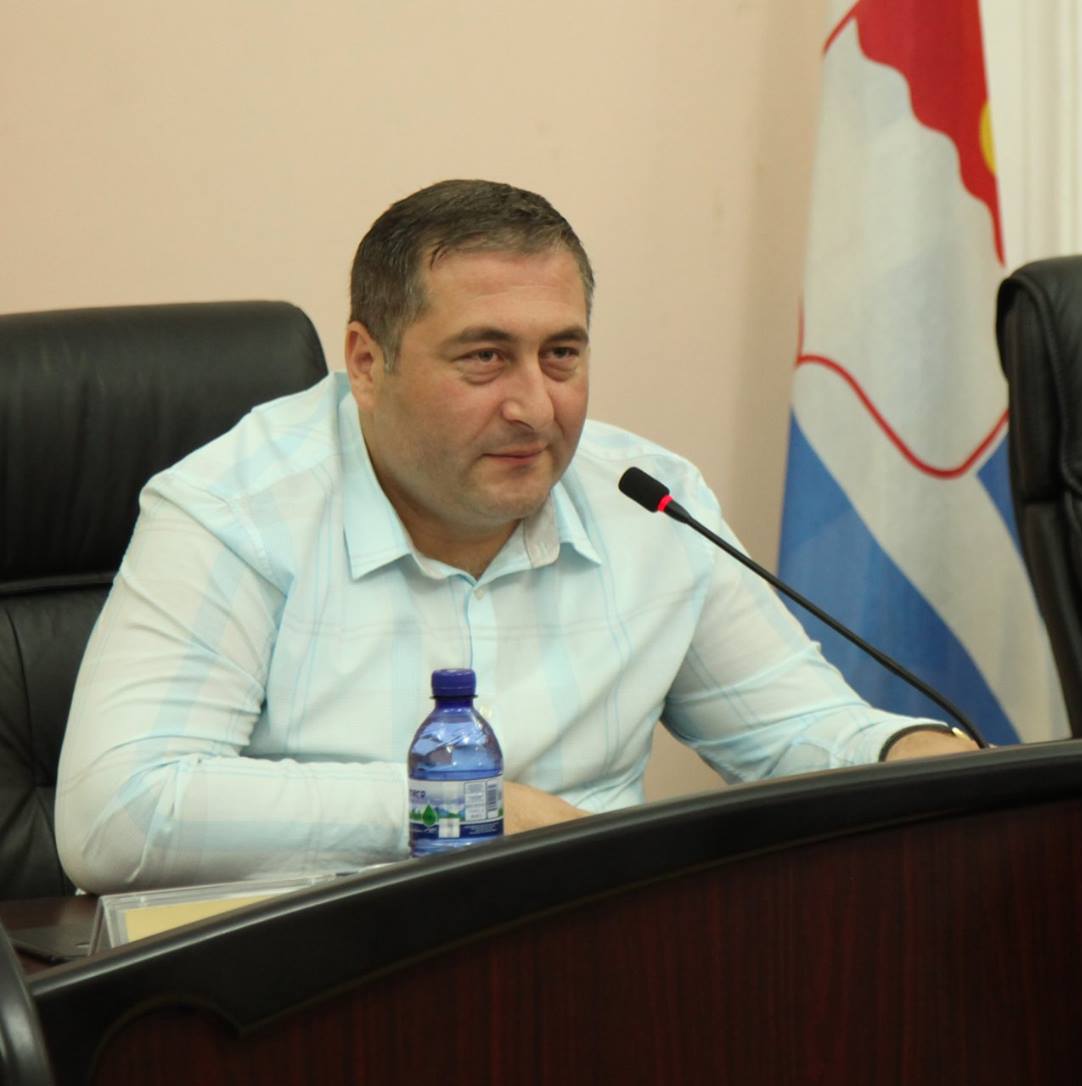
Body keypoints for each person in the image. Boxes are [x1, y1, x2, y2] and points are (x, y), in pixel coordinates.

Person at [56, 179, 974, 893]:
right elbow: (115, 814)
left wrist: (912, 759)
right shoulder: (235, 510)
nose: (535, 406)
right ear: (367, 363)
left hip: (595, 963)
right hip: (314, 993)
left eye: (561, 354)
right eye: (485, 357)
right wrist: (470, 809)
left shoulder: (648, 503)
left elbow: (797, 730)